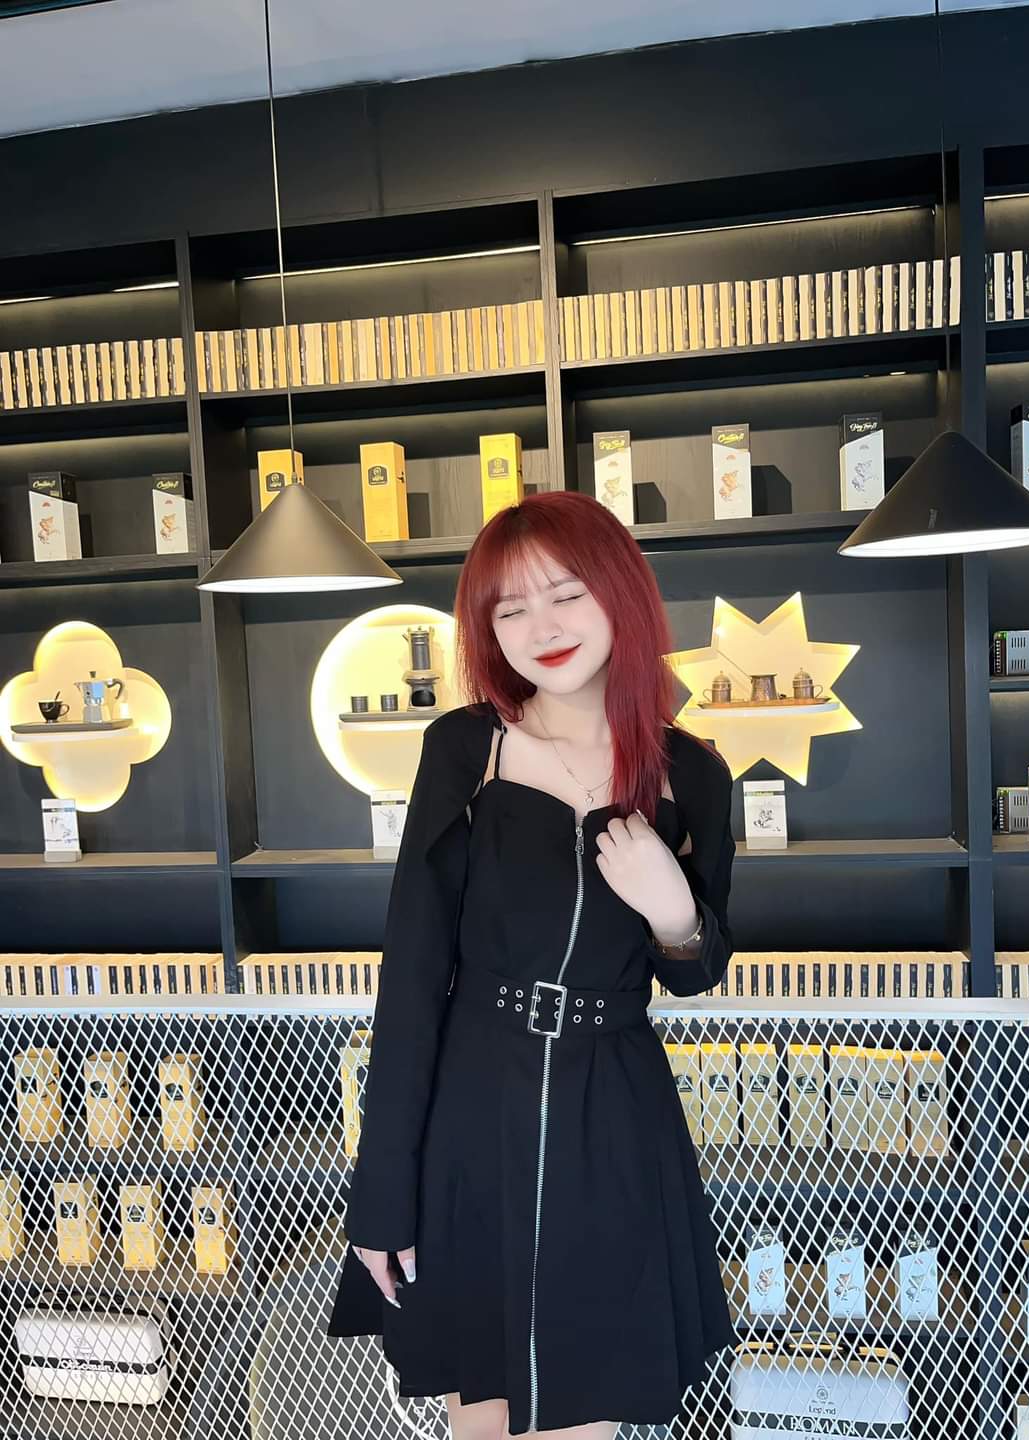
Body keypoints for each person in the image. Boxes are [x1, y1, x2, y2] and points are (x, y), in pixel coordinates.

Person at [327, 490, 738, 1439]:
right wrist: (382, 1195)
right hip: (475, 1107)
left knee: (587, 1401)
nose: (540, 628)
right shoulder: (466, 750)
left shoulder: (693, 773)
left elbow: (696, 967)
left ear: (619, 594)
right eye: (509, 609)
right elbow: (411, 978)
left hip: (613, 1114)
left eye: (565, 594)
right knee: (480, 1408)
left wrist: (672, 908)